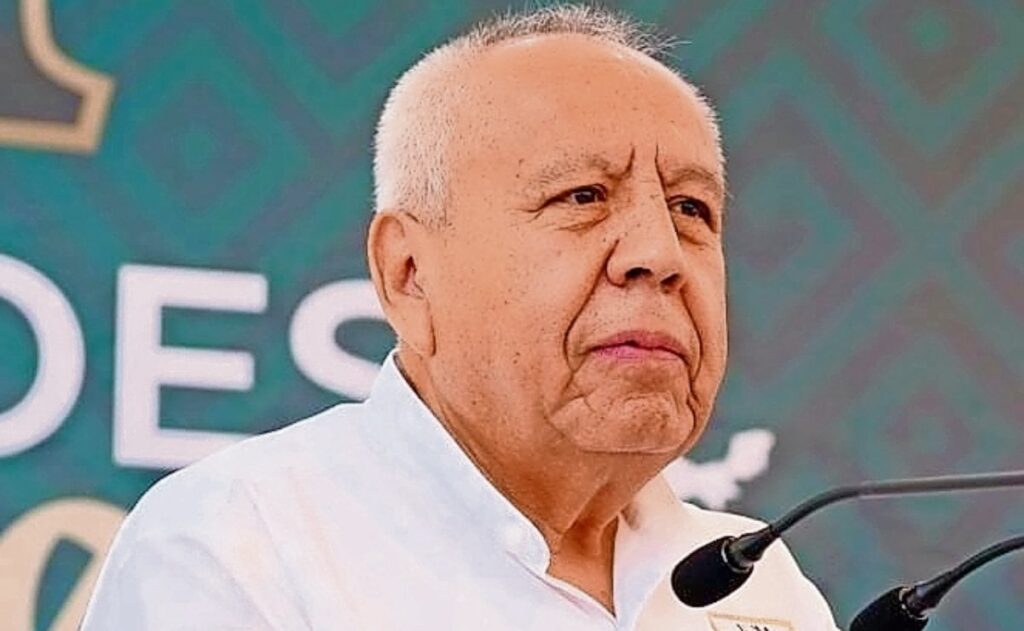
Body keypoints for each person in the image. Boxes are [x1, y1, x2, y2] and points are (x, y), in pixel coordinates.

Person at [82, 5, 839, 630]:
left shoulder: (755, 580)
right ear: (409, 274)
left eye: (691, 208)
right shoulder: (241, 541)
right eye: (583, 196)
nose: (659, 253)